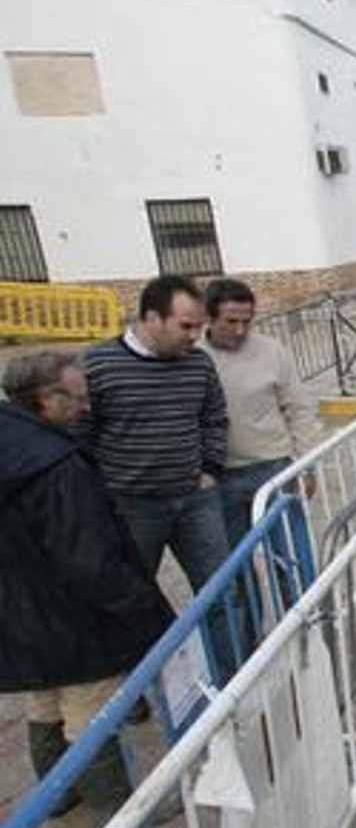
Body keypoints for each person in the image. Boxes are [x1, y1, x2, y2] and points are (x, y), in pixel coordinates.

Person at [1, 353, 176, 813]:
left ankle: (55, 797)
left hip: (20, 612)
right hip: (71, 616)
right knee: (90, 708)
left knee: (44, 702)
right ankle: (119, 805)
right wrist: (144, 609)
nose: (85, 409)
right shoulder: (56, 464)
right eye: (77, 398)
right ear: (46, 398)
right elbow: (90, 560)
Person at [82, 275, 234, 663]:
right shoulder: (98, 365)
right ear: (152, 317)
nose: (195, 336)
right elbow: (80, 434)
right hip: (130, 507)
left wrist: (210, 469)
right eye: (186, 326)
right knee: (128, 602)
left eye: (198, 326)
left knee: (221, 591)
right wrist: (100, 495)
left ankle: (233, 675)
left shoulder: (198, 365)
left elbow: (214, 418)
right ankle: (133, 686)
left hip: (195, 500)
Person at [199, 278, 321, 548]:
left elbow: (299, 408)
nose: (241, 330)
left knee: (288, 554)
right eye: (231, 321)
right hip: (220, 476)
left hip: (273, 468)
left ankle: (298, 592)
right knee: (234, 562)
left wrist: (306, 465)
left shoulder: (272, 350)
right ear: (209, 316)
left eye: (247, 321)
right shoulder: (193, 358)